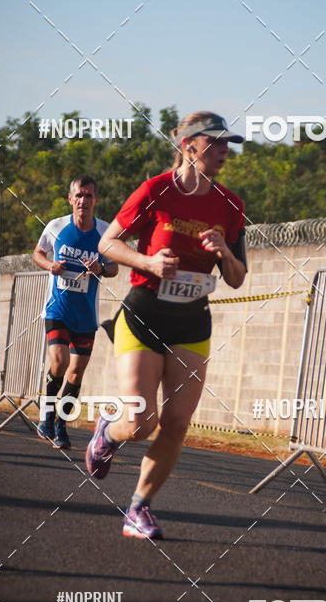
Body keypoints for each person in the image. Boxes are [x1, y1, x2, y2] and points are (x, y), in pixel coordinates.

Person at [86, 111, 247, 540]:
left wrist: (225, 253)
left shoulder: (231, 204)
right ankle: (108, 430)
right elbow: (108, 243)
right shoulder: (156, 190)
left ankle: (138, 508)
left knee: (177, 422)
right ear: (188, 145)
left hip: (193, 319)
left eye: (227, 144)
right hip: (145, 313)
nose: (224, 152)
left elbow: (236, 276)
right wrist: (148, 262)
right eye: (215, 144)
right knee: (141, 424)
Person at [32, 175, 118, 450]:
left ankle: (61, 424)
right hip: (57, 308)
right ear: (70, 199)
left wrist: (101, 269)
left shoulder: (105, 232)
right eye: (79, 195)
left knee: (75, 374)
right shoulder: (56, 226)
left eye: (88, 196)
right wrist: (49, 266)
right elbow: (37, 253)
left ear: (96, 200)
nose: (83, 200)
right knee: (58, 362)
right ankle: (46, 416)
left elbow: (114, 267)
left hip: (85, 315)